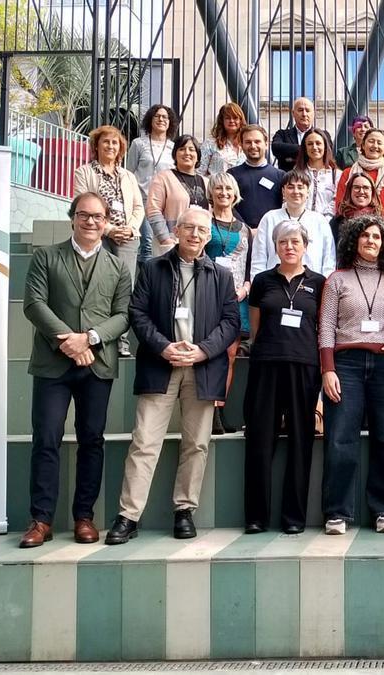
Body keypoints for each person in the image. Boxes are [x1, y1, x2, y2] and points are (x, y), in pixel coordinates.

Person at [105, 208, 240, 544]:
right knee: (144, 442)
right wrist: (164, 347)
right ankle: (128, 516)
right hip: (160, 365)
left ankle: (184, 510)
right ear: (176, 230)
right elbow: (137, 313)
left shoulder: (221, 276)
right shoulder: (152, 269)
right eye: (189, 227)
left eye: (202, 230)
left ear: (209, 236)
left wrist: (204, 350)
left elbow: (230, 323)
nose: (195, 234)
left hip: (202, 368)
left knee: (196, 444)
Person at [19, 193, 132, 548]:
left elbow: (123, 315)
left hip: (96, 365)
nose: (91, 222)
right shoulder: (46, 257)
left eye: (98, 216)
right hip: (53, 363)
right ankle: (41, 520)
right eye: (84, 215)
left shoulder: (118, 267)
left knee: (92, 441)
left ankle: (84, 517)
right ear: (72, 218)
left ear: (106, 221)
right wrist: (67, 341)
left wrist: (90, 339)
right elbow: (34, 304)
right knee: (47, 439)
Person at [319, 215, 384, 535]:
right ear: (354, 240)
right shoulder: (337, 280)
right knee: (341, 438)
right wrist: (328, 369)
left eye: (377, 237)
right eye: (365, 236)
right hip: (347, 366)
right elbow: (326, 327)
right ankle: (337, 512)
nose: (371, 241)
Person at [244, 220, 327, 534]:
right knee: (260, 442)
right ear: (275, 247)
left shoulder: (319, 282)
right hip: (266, 364)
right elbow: (255, 326)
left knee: (300, 443)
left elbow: (322, 327)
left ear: (305, 246)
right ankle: (256, 517)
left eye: (295, 242)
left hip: (304, 366)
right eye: (283, 242)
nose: (289, 247)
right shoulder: (263, 281)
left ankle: (294, 518)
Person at [73, 124, 145, 356]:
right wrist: (110, 229)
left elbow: (138, 207)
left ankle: (121, 342)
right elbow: (81, 204)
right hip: (98, 237)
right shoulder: (84, 172)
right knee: (99, 287)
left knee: (124, 288)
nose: (111, 146)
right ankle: (97, 337)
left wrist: (130, 228)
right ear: (96, 145)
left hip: (127, 238)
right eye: (106, 142)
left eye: (115, 143)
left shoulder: (128, 176)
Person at [204, 171, 250, 434]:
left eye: (228, 189)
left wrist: (245, 287)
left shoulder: (243, 229)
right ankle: (206, 411)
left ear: (235, 194)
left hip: (237, 298)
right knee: (211, 353)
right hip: (209, 296)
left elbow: (249, 264)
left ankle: (219, 410)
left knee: (230, 356)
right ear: (211, 192)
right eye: (218, 188)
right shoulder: (204, 222)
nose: (223, 193)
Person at [250, 169, 336, 278]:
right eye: (290, 187)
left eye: (300, 187)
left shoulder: (320, 221)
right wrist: (258, 287)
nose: (296, 191)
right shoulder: (269, 218)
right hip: (274, 285)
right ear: (283, 191)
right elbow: (258, 258)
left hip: (312, 286)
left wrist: (325, 289)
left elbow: (329, 260)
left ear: (308, 192)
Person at [144, 134, 210, 258]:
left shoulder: (206, 182)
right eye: (182, 149)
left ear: (198, 156)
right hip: (171, 245)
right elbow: (153, 210)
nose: (187, 153)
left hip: (199, 247)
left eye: (192, 149)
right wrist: (165, 239)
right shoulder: (163, 178)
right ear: (175, 154)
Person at [126, 104, 176, 261]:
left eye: (165, 117)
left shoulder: (173, 147)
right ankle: (145, 281)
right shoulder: (138, 144)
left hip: (166, 203)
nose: (161, 119)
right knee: (146, 244)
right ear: (150, 120)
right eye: (157, 116)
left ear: (170, 122)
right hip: (144, 200)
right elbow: (129, 172)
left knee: (165, 242)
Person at [334, 128, 384, 219]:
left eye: (379, 143)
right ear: (362, 145)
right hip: (351, 225)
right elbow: (340, 204)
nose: (375, 146)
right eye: (371, 141)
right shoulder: (347, 173)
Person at [227, 124, 286, 229]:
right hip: (240, 233)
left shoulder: (280, 176)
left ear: (266, 144)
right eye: (248, 142)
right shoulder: (232, 175)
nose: (253, 146)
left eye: (257, 141)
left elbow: (285, 207)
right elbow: (228, 205)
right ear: (241, 145)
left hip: (272, 232)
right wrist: (245, 228)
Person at [272, 97, 332, 171]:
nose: (304, 114)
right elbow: (276, 148)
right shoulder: (282, 134)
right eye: (300, 110)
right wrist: (307, 149)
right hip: (289, 179)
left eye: (307, 110)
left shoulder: (324, 135)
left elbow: (328, 155)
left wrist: (290, 155)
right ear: (293, 113)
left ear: (313, 114)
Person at [295, 127, 340, 218]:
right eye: (310, 144)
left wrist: (323, 220)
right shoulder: (297, 173)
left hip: (328, 224)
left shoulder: (336, 175)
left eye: (318, 143)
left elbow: (336, 201)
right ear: (305, 148)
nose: (314, 147)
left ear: (325, 146)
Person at [199, 102, 248, 176]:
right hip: (216, 186)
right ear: (222, 121)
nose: (231, 121)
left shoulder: (247, 144)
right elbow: (200, 172)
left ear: (240, 120)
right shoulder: (210, 144)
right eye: (228, 118)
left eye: (235, 118)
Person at [331, 171, 382, 240]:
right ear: (350, 191)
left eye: (366, 188)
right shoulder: (337, 221)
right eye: (356, 187)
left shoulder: (380, 222)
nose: (361, 191)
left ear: (372, 192)